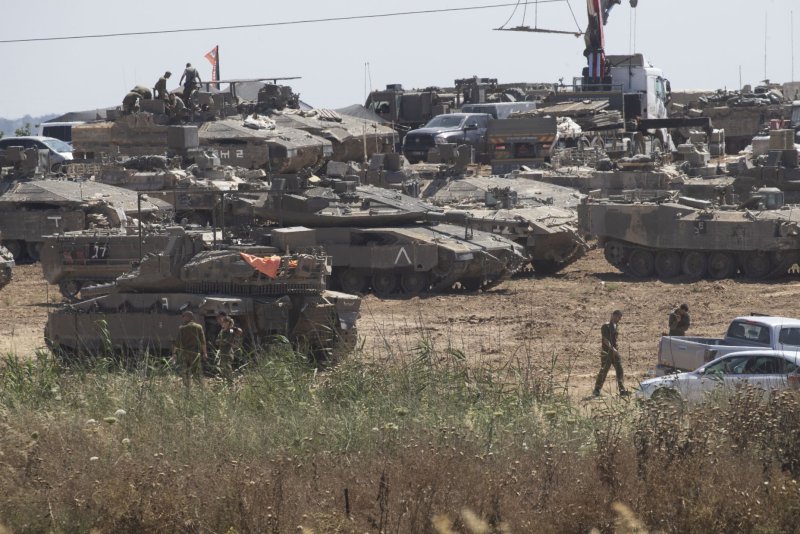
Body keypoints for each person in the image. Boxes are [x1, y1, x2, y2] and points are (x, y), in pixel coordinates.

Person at [593, 310, 629, 397]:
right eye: (618, 317)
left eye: (620, 318)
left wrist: (615, 350)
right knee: (604, 371)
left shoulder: (616, 326)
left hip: (615, 352)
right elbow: (605, 340)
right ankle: (596, 390)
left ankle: (622, 390)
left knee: (619, 370)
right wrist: (612, 349)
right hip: (607, 352)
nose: (619, 319)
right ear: (613, 315)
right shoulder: (605, 326)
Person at [174, 310, 207, 389]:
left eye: (183, 317)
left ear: (188, 317)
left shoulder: (182, 328)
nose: (182, 319)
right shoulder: (199, 327)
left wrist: (174, 353)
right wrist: (205, 353)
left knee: (185, 372)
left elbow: (177, 343)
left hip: (185, 354)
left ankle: (187, 389)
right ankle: (201, 388)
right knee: (197, 372)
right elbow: (203, 342)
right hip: (196, 353)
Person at [215, 311, 243, 385]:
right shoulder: (222, 331)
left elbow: (226, 341)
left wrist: (221, 341)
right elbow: (217, 341)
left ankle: (230, 383)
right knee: (222, 367)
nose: (222, 322)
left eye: (224, 321)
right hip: (222, 352)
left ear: (227, 323)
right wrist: (221, 341)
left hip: (228, 352)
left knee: (227, 368)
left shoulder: (230, 331)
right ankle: (226, 382)